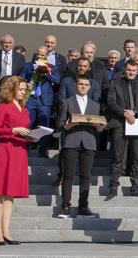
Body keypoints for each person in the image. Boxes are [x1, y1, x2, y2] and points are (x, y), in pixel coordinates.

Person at [0, 76, 30, 245]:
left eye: (25, 89)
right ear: (12, 89)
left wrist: (32, 136)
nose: (24, 92)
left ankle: (7, 231)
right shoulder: (3, 106)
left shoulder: (24, 109)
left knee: (10, 194)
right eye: (21, 89)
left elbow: (25, 129)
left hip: (19, 151)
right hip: (5, 150)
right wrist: (13, 130)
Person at [106, 60, 138, 200]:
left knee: (136, 157)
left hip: (137, 122)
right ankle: (113, 187)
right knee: (118, 157)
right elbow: (111, 101)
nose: (131, 72)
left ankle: (135, 186)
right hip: (120, 122)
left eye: (133, 70)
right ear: (124, 69)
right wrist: (125, 113)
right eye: (129, 70)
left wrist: (134, 112)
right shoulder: (115, 83)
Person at [56, 75, 101, 218]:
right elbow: (60, 124)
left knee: (86, 176)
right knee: (68, 175)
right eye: (80, 83)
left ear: (90, 87)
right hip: (71, 141)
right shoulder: (67, 102)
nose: (83, 86)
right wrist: (68, 124)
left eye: (86, 84)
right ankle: (65, 206)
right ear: (76, 85)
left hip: (89, 142)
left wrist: (99, 127)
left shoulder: (95, 105)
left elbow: (99, 128)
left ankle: (83, 206)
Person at [23, 45, 61, 158]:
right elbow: (21, 79)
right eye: (38, 54)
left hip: (44, 101)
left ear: (47, 56)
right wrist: (26, 84)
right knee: (27, 124)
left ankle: (43, 150)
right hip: (31, 100)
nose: (39, 56)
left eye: (42, 55)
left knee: (44, 127)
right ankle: (25, 149)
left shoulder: (52, 67)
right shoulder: (28, 66)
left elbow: (57, 81)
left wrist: (46, 73)